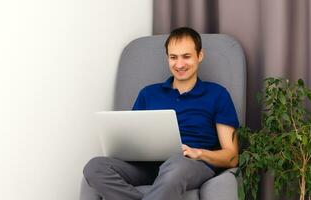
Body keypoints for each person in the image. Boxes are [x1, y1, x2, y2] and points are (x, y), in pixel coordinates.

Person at [83, 27, 239, 200]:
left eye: (186, 56)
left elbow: (231, 156)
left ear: (199, 56)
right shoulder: (148, 94)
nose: (179, 64)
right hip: (146, 166)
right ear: (167, 58)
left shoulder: (218, 94)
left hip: (190, 164)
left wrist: (199, 153)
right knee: (94, 167)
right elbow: (132, 136)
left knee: (176, 165)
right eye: (173, 57)